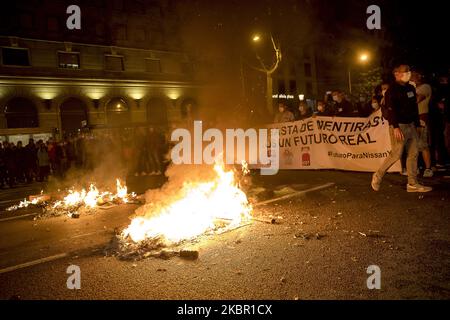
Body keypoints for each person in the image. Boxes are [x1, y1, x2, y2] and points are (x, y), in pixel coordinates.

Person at [371, 64, 432, 193]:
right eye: (405, 72)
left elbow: (414, 107)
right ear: (397, 74)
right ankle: (378, 175)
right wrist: (395, 127)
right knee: (396, 153)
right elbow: (391, 109)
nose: (408, 74)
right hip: (399, 126)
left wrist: (417, 123)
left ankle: (412, 183)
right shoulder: (392, 90)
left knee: (413, 153)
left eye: (409, 71)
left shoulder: (410, 87)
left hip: (411, 125)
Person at [411, 71, 433, 177]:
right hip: (412, 119)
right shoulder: (411, 89)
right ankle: (417, 167)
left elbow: (417, 99)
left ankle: (428, 168)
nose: (415, 78)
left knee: (423, 144)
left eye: (415, 76)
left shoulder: (425, 87)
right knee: (413, 145)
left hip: (421, 117)